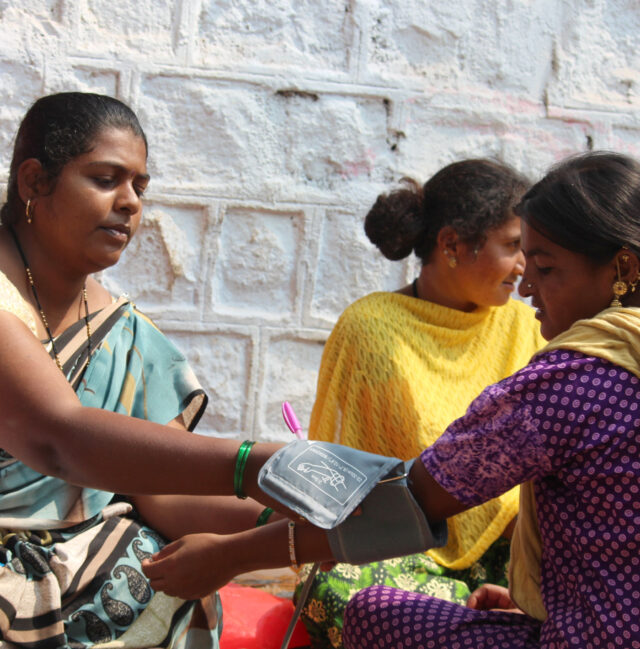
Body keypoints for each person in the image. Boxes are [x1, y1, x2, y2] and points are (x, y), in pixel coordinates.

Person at [143, 152, 640, 648]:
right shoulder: (375, 323)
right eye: (520, 255)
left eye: (545, 267)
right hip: (418, 546)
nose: (525, 284)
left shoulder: (574, 376)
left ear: (624, 268)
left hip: (473, 548)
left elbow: (406, 503)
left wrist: (229, 557)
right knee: (338, 581)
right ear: (450, 246)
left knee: (376, 613)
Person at [0, 92, 287, 649]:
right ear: (34, 181)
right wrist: (255, 463)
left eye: (140, 186)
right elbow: (62, 439)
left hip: (95, 577)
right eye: (107, 179)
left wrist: (282, 516)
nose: (131, 203)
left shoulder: (122, 331)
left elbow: (154, 487)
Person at [297, 160, 545, 647]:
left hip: (514, 551)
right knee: (328, 588)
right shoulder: (370, 327)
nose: (525, 266)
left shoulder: (526, 327)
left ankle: (473, 620)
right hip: (396, 546)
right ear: (451, 244)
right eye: (514, 246)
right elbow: (344, 470)